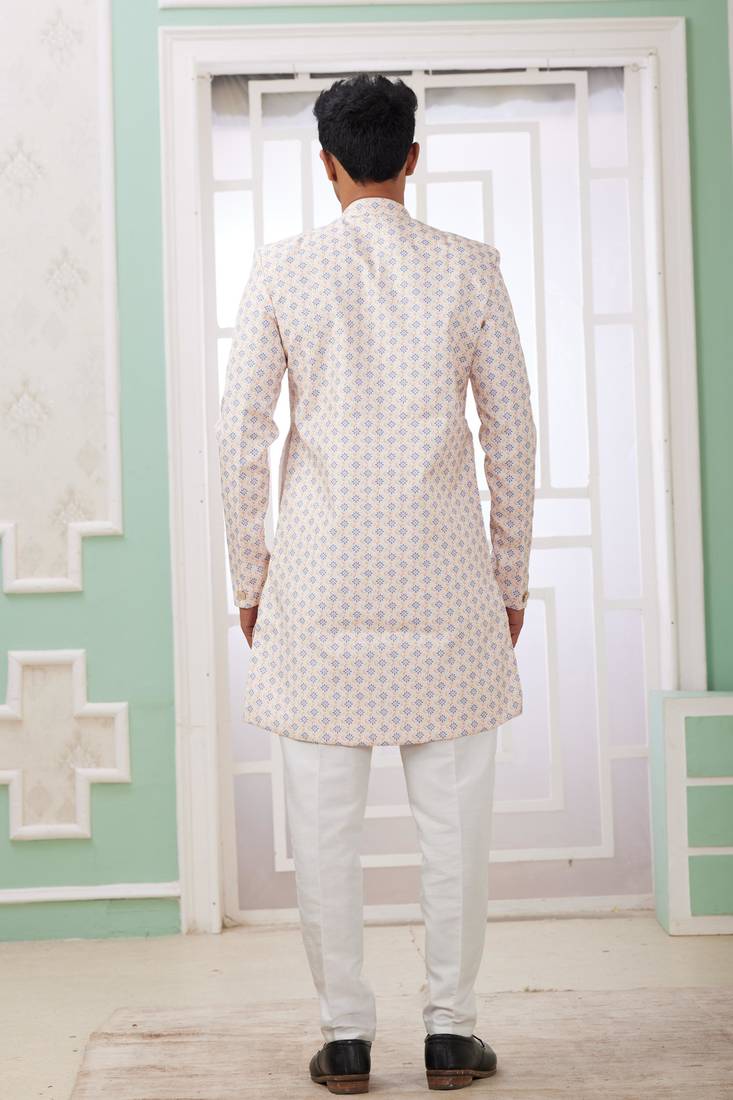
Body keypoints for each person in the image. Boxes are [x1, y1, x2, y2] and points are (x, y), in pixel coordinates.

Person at [215, 72, 536, 1094]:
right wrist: (510, 577)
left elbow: (239, 438)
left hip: (315, 590)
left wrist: (250, 578)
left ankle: (346, 1038)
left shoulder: (283, 270)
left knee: (322, 829)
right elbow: (512, 436)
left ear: (326, 164)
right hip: (448, 589)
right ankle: (450, 1033)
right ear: (411, 157)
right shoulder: (470, 269)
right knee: (457, 830)